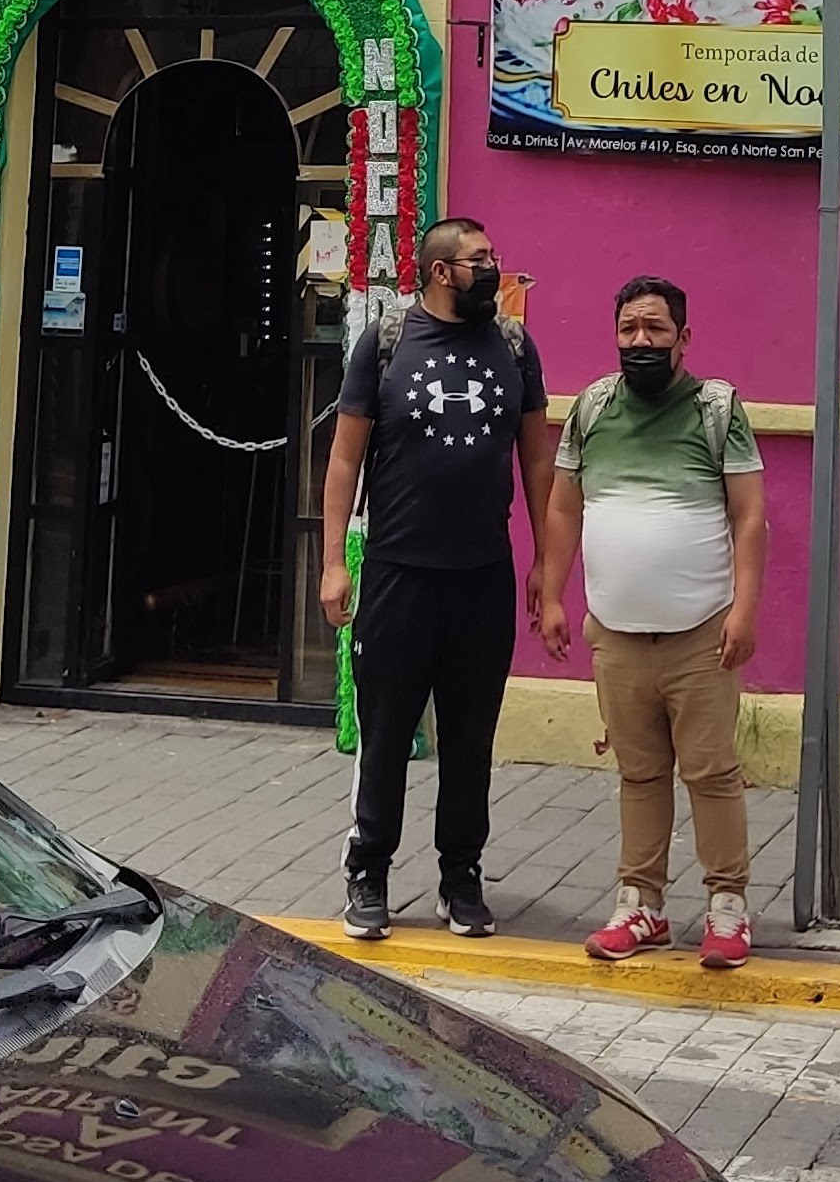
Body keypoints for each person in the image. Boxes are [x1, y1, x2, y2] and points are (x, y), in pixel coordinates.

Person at [321, 215, 552, 945]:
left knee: (469, 739)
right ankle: (369, 870)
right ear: (440, 271)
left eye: (493, 255)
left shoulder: (514, 346)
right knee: (386, 733)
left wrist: (547, 563)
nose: (492, 268)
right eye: (479, 259)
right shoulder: (387, 342)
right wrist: (334, 562)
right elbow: (344, 459)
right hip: (399, 574)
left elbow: (538, 460)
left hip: (482, 576)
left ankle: (461, 876)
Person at [533, 276, 766, 971]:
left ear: (683, 338)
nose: (641, 341)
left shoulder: (716, 410)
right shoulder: (592, 409)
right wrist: (553, 595)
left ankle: (728, 908)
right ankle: (641, 906)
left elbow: (749, 515)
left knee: (711, 772)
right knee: (639, 774)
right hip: (617, 635)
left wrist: (745, 610)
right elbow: (564, 507)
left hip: (702, 636)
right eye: (629, 329)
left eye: (655, 329)